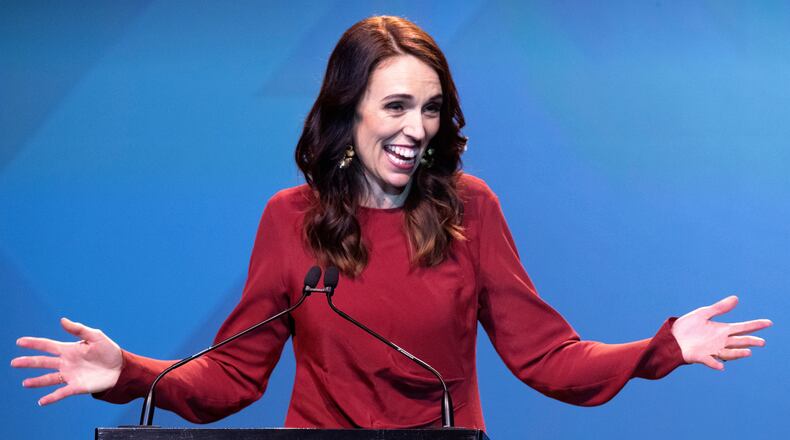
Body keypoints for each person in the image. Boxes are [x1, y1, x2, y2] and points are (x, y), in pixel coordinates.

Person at [12, 16, 771, 430]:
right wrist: (130, 374)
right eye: (398, 105)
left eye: (433, 107)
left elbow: (548, 358)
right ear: (350, 114)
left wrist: (660, 349)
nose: (419, 128)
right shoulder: (290, 220)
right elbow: (235, 378)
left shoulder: (471, 208)